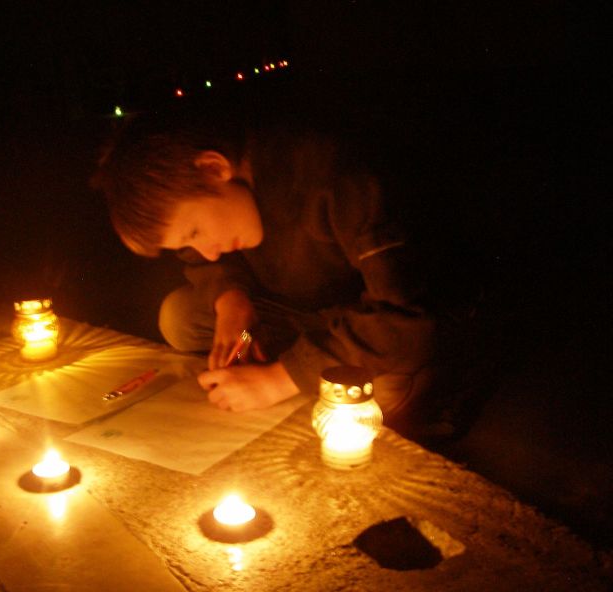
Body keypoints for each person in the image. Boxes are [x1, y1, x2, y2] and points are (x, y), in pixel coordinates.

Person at [92, 105, 477, 438]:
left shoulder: (336, 178)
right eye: (187, 244)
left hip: (401, 318)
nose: (206, 251)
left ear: (213, 168)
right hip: (312, 315)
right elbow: (207, 263)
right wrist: (231, 300)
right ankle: (299, 362)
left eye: (194, 232)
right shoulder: (229, 198)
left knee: (386, 390)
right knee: (180, 316)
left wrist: (279, 380)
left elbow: (404, 316)